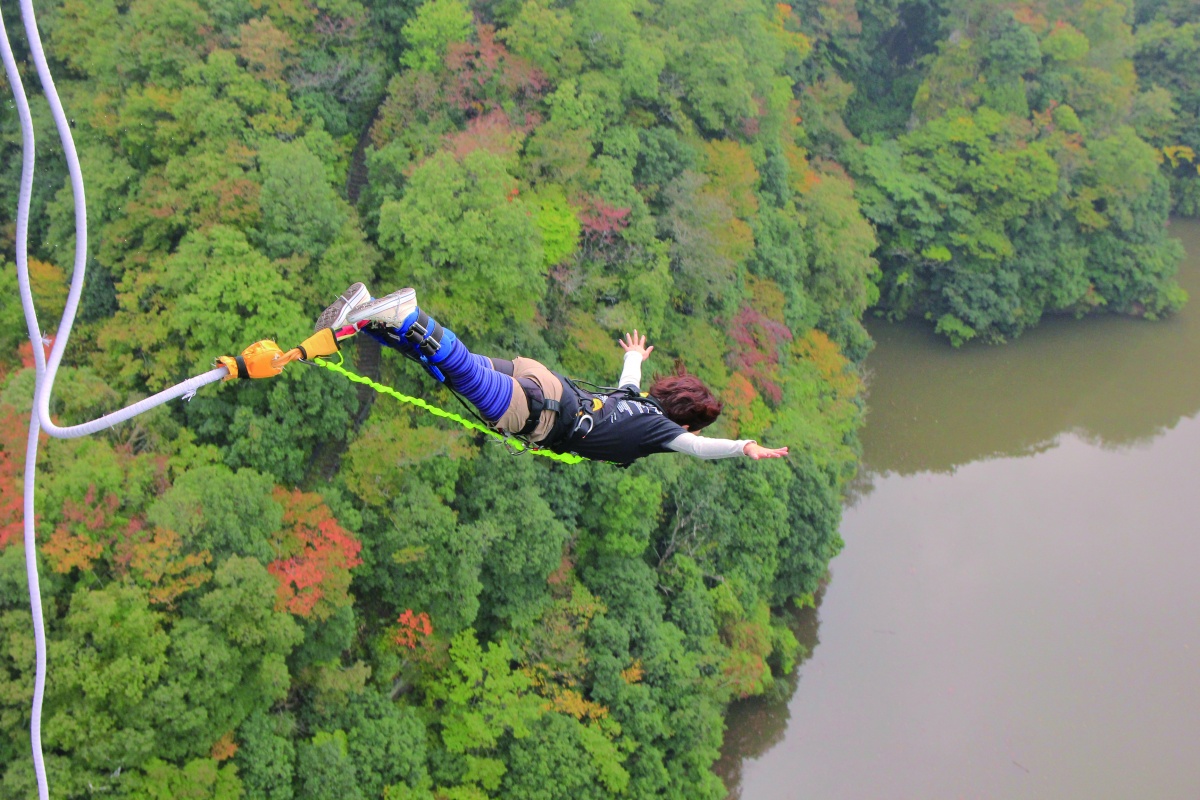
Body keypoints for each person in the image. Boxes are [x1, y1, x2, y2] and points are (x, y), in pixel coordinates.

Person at [317, 284, 789, 466]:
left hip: (546, 382)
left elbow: (626, 380)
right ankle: (404, 315)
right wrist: (743, 446)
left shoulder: (639, 403)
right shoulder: (662, 430)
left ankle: (365, 315)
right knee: (458, 370)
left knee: (449, 363)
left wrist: (636, 357)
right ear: (683, 422)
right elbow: (699, 448)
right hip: (539, 415)